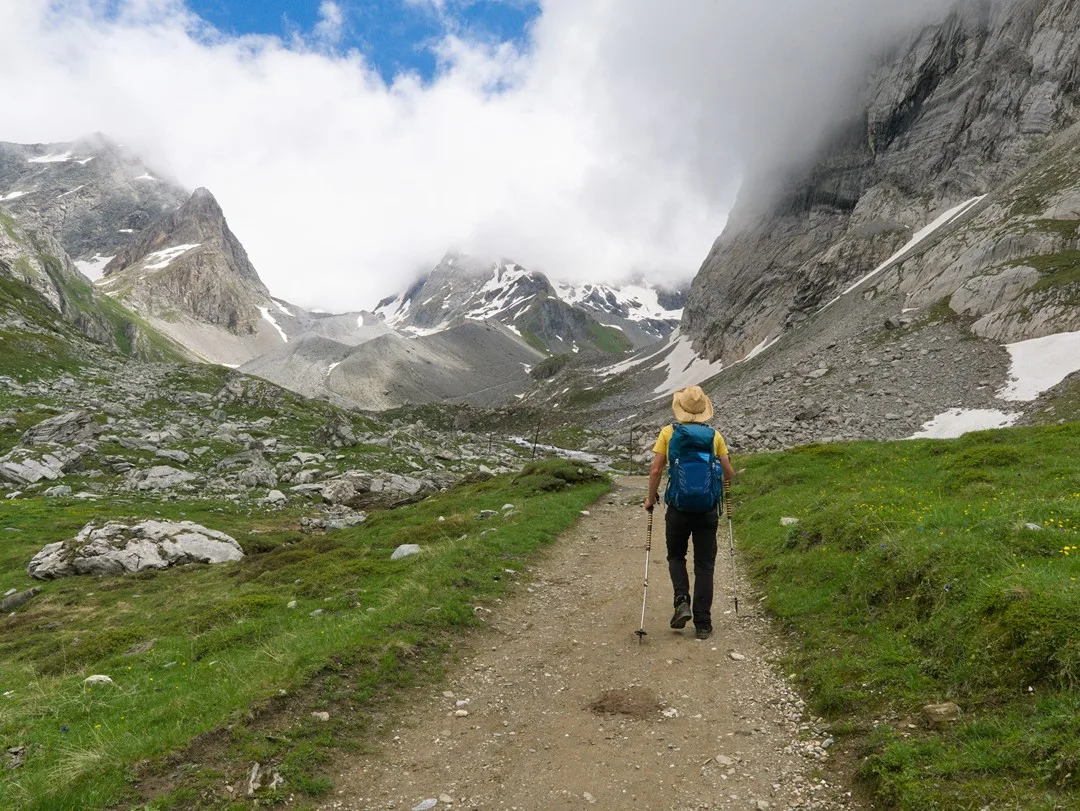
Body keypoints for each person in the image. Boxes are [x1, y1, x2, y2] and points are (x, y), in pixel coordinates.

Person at [644, 385, 735, 640]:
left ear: (680, 408)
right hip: (707, 509)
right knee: (705, 565)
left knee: (676, 556)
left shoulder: (668, 432)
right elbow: (728, 473)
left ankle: (681, 600)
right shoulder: (714, 435)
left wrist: (650, 499)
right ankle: (703, 624)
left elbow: (655, 470)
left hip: (678, 508)